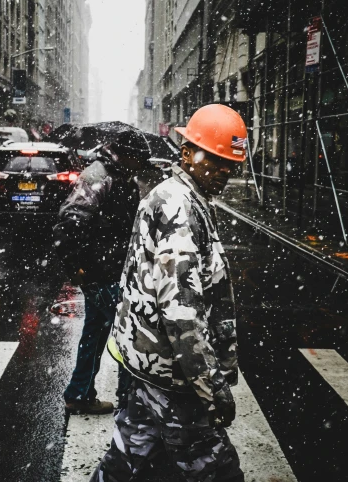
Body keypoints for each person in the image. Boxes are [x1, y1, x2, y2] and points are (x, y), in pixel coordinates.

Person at [91, 104, 248, 481]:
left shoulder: (182, 197)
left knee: (127, 462)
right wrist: (211, 385)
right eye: (216, 160)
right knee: (218, 471)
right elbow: (180, 310)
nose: (225, 171)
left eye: (231, 164)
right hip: (175, 376)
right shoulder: (178, 205)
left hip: (154, 367)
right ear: (187, 153)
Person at [53, 130, 152, 414]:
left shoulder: (120, 177)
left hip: (111, 269)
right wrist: (77, 268)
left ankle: (79, 394)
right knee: (129, 334)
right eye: (139, 159)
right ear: (126, 155)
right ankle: (130, 404)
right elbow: (69, 224)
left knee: (95, 333)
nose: (141, 166)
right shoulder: (99, 177)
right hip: (103, 273)